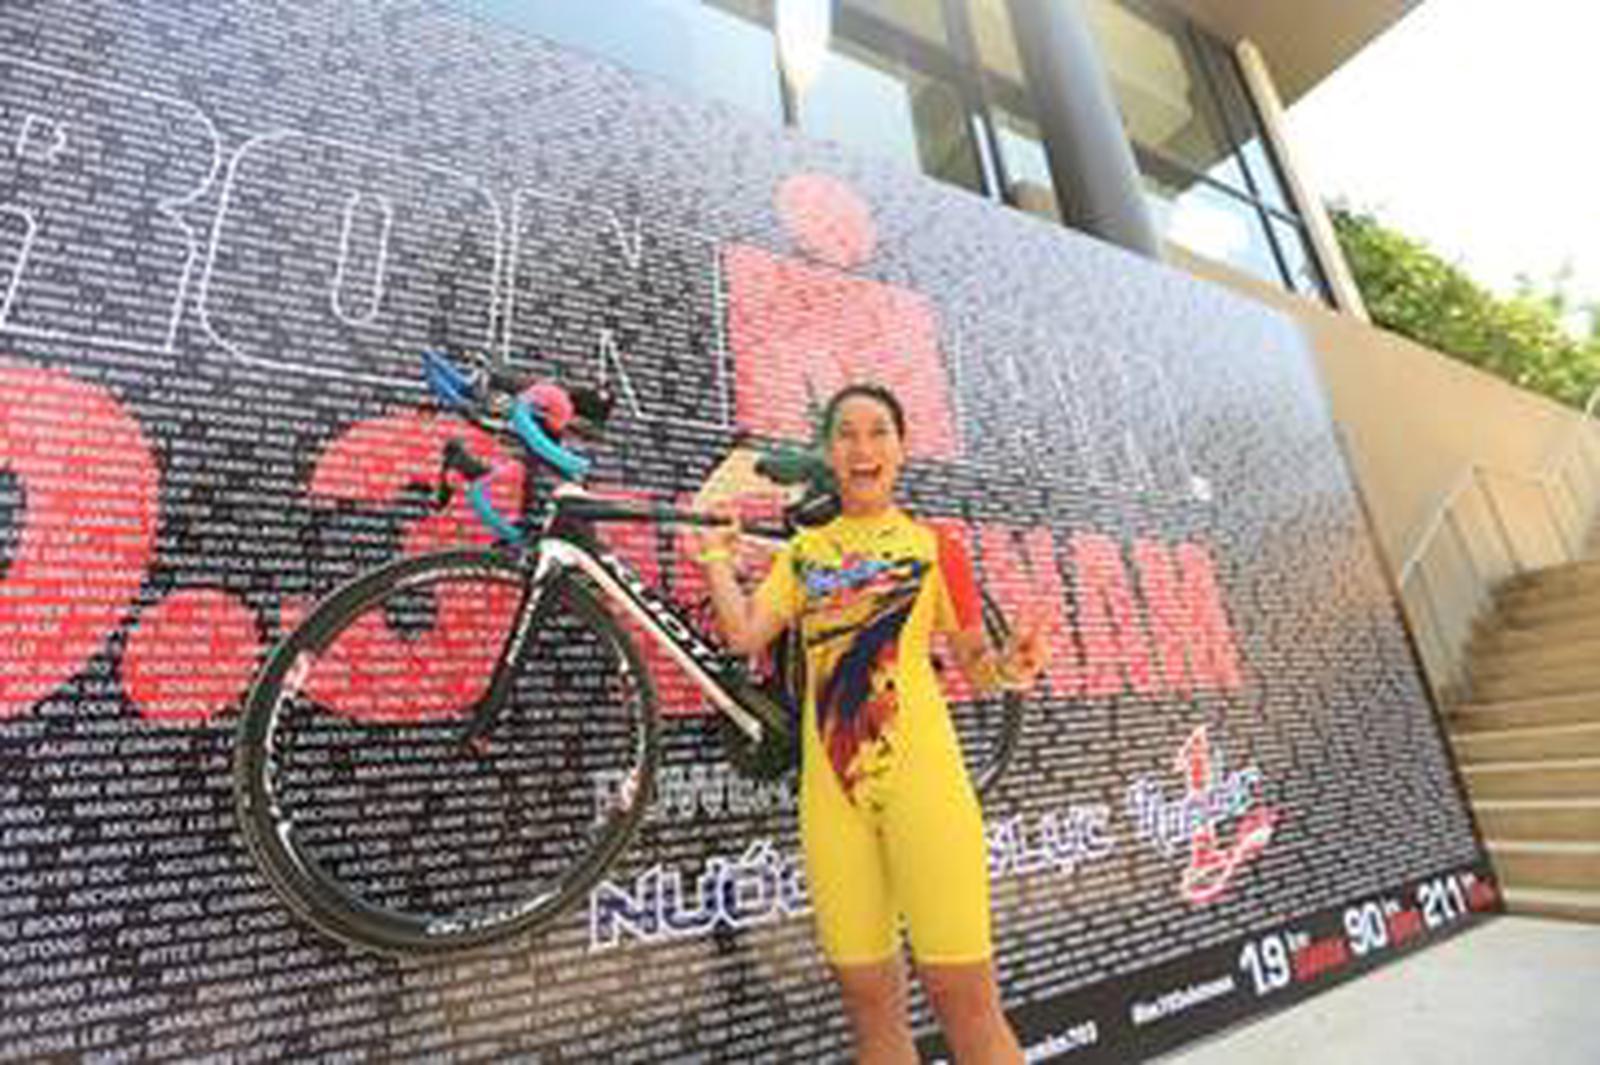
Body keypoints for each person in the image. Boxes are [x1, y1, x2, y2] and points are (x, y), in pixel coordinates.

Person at [694, 383, 1047, 1064]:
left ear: (901, 448)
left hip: (925, 791)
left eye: (878, 431)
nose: (863, 447)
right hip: (834, 800)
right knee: (868, 1006)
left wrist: (1011, 665)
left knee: (964, 1000)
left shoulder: (935, 547)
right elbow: (743, 634)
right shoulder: (803, 554)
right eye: (846, 433)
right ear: (829, 453)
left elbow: (977, 668)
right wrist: (714, 556)